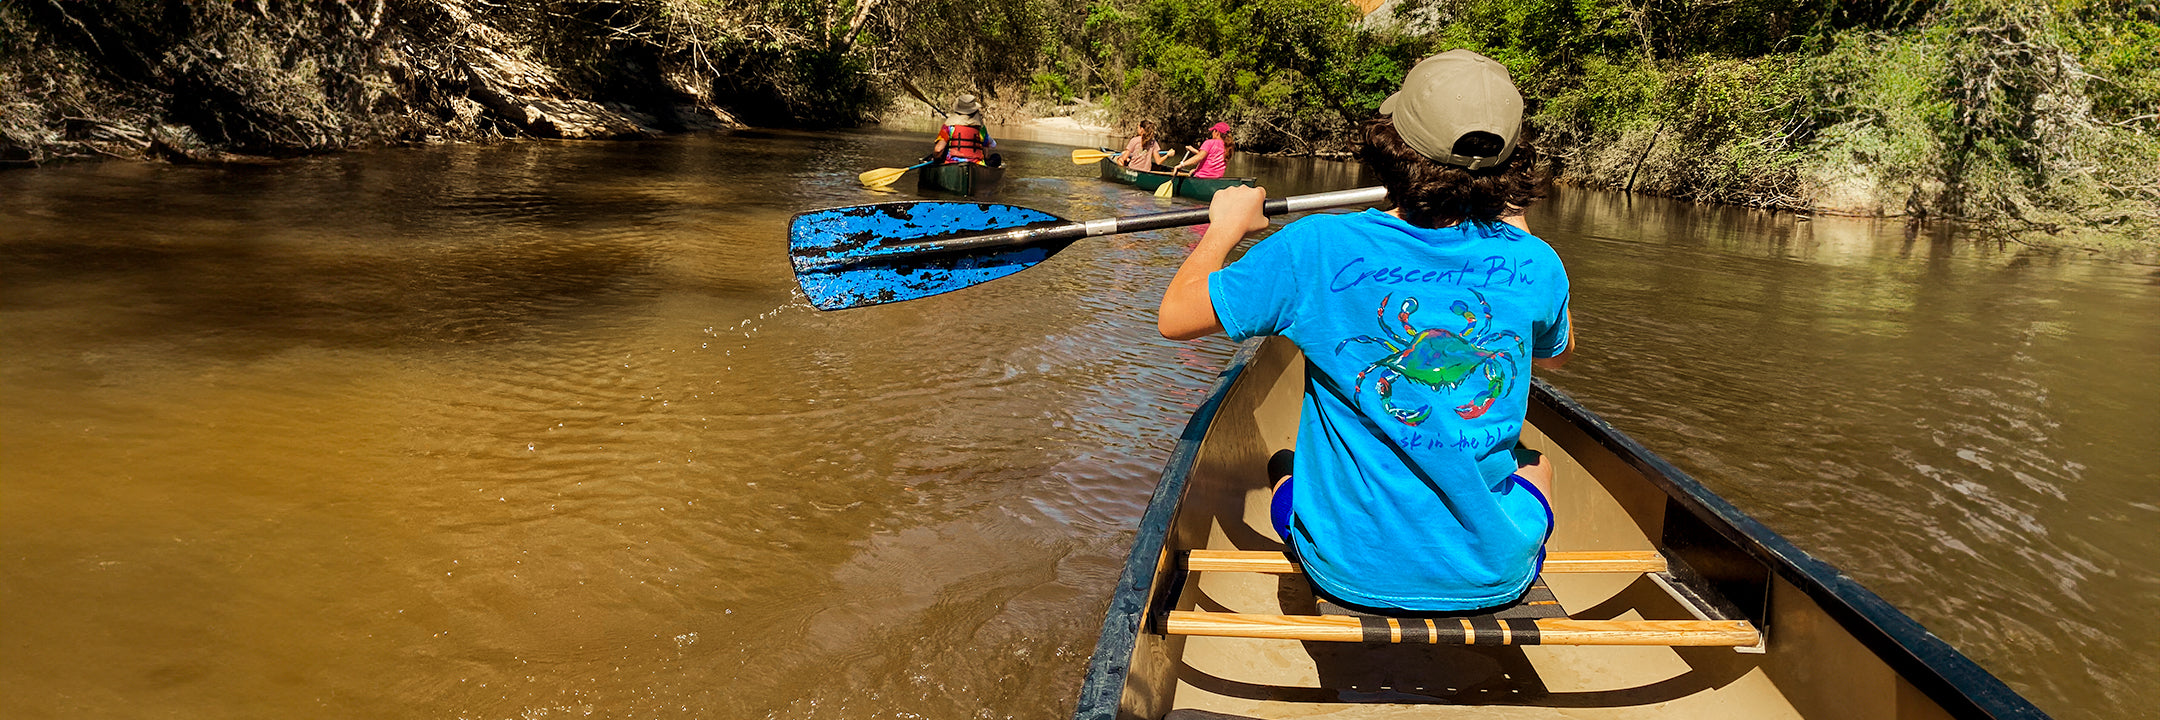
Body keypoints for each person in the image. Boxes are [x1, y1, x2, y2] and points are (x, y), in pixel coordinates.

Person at [1154, 49, 1573, 613]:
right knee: (1536, 462)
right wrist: (1518, 228)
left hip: (1344, 568)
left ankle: (1300, 504)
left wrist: (1223, 230)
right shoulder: (1537, 262)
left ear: (1391, 143)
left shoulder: (1317, 247)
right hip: (1492, 576)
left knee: (1284, 463)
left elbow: (1175, 317)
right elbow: (1554, 355)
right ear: (1511, 166)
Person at [931, 94, 995, 164]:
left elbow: (938, 150)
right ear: (975, 111)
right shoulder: (982, 129)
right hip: (976, 164)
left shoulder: (949, 127)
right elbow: (986, 155)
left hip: (952, 163)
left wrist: (935, 158)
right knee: (996, 158)